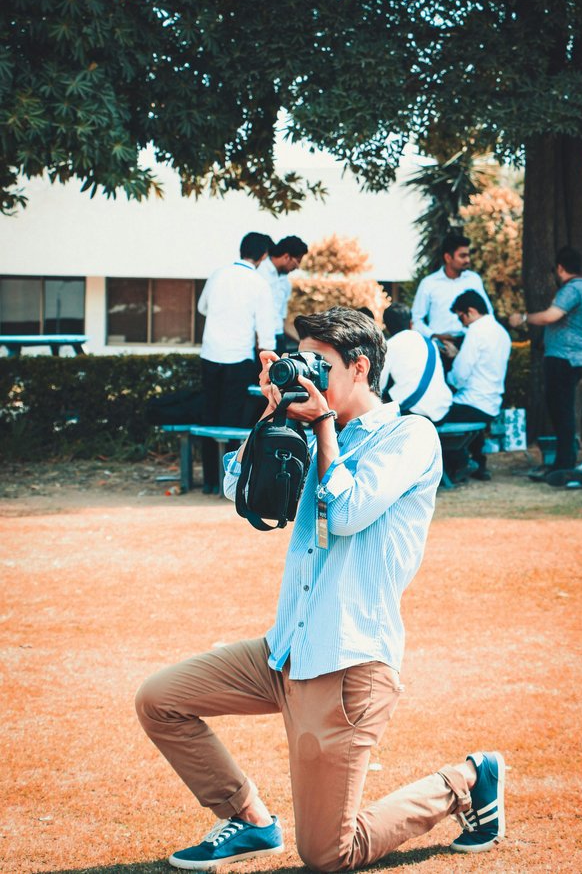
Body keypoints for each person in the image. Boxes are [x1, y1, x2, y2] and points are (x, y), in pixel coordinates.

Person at [136, 306, 507, 871]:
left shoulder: (409, 435)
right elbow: (241, 489)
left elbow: (351, 509)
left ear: (359, 367)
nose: (307, 376)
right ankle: (250, 822)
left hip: (346, 666)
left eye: (319, 365)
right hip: (284, 648)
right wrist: (271, 412)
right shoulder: (304, 428)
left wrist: (323, 426)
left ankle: (467, 780)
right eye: (299, 362)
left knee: (329, 854)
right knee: (160, 700)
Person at [509, 246, 582, 479]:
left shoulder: (571, 289)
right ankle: (564, 461)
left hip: (562, 357)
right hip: (579, 357)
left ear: (560, 268)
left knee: (561, 412)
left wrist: (523, 319)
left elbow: (551, 316)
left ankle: (563, 465)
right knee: (565, 410)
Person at [197, 232, 275, 494]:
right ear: (263, 256)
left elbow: (202, 308)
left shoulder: (218, 274)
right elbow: (266, 332)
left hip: (210, 353)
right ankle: (228, 480)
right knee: (232, 418)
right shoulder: (259, 283)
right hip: (239, 356)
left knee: (209, 415)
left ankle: (208, 480)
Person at [443, 290, 511, 481]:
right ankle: (479, 464)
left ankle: (460, 463)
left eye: (460, 316)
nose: (461, 322)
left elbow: (460, 375)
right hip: (492, 402)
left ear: (471, 311)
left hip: (473, 401)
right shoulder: (501, 333)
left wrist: (452, 366)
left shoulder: (476, 332)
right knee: (465, 411)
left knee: (436, 413)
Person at [411, 234, 494, 370]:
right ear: (448, 257)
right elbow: (416, 320)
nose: (467, 260)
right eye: (462, 256)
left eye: (468, 255)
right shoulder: (429, 284)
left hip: (469, 344)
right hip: (439, 346)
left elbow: (488, 313)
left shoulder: (474, 280)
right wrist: (434, 335)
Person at [379, 303, 452, 423]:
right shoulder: (430, 343)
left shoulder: (390, 346)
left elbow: (379, 384)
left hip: (414, 412)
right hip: (443, 410)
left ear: (386, 327)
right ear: (411, 323)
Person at [257, 235, 308, 355]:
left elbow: (282, 319)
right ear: (286, 257)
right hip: (259, 341)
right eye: (298, 261)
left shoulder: (286, 283)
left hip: (278, 338)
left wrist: (305, 342)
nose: (298, 267)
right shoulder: (259, 271)